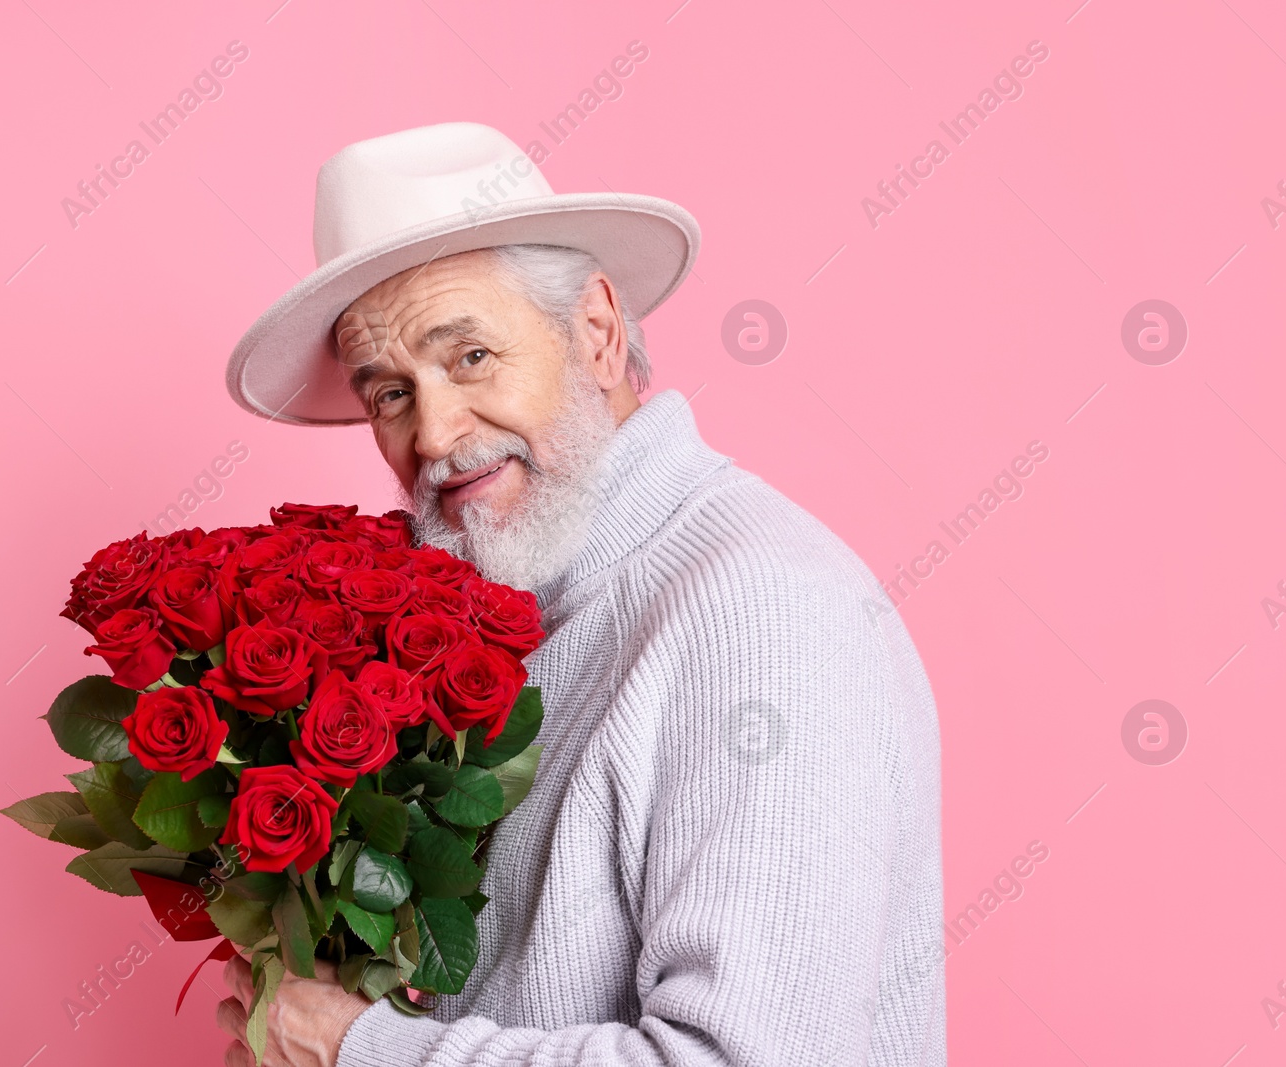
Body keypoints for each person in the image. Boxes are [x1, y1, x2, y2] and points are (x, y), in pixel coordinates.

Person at [214, 122, 944, 1067]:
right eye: (389, 393)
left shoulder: (758, 614)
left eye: (469, 356)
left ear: (595, 332)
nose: (433, 434)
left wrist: (366, 1053)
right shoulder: (512, 606)